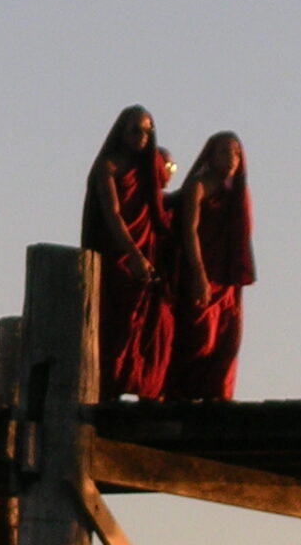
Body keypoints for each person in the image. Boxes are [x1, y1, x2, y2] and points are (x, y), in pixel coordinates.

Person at [81, 105, 173, 400]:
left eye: (147, 131)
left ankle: (147, 387)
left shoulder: (149, 168)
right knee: (116, 322)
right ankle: (111, 387)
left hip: (149, 251)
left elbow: (163, 203)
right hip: (118, 254)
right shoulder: (107, 167)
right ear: (122, 131)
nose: (141, 136)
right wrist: (133, 254)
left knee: (151, 322)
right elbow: (113, 214)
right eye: (135, 130)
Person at [165, 132, 255, 401]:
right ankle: (181, 397)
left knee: (226, 340)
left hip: (226, 278)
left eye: (236, 153)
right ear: (211, 156)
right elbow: (189, 231)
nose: (232, 159)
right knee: (199, 338)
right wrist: (198, 274)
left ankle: (216, 397)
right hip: (200, 273)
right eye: (224, 152)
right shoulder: (198, 187)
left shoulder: (236, 194)